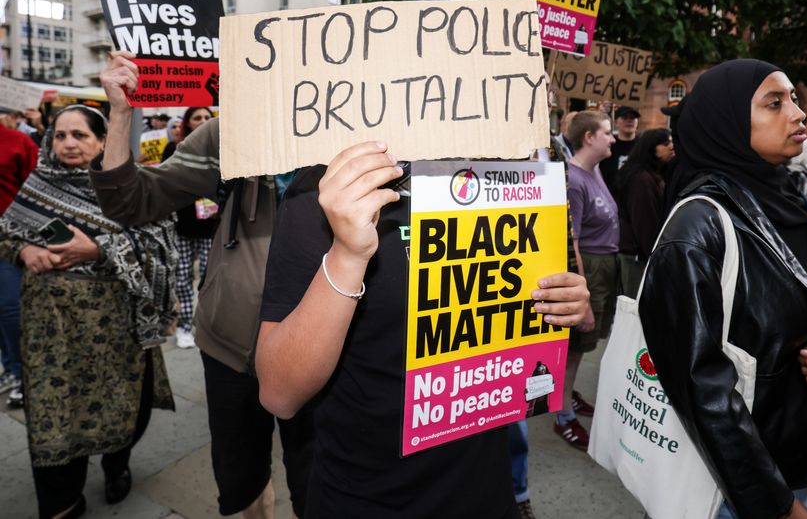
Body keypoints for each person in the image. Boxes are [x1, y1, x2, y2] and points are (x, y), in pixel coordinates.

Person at [254, 142, 591, 517]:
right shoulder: (328, 188)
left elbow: (547, 309)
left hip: (487, 492)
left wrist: (564, 302)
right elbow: (279, 393)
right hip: (366, 498)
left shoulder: (509, 172)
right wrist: (347, 255)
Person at [638, 59, 807, 518]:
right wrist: (776, 504)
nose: (798, 113)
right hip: (727, 485)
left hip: (791, 461)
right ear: (726, 122)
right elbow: (700, 383)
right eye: (774, 103)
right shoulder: (697, 226)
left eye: (794, 99)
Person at [91, 51, 313, 519]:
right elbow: (130, 201)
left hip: (325, 351)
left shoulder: (364, 141)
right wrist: (120, 112)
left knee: (321, 481)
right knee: (242, 482)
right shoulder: (226, 136)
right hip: (231, 346)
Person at [0, 105, 176, 519]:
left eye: (80, 135)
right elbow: (5, 234)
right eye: (60, 135)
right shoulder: (38, 184)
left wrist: (97, 250)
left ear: (102, 142)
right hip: (49, 333)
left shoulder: (129, 188)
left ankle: (117, 464)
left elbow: (160, 249)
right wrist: (24, 250)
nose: (68, 144)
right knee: (52, 418)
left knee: (123, 409)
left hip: (116, 333)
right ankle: (62, 503)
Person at [554, 110, 618, 451]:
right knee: (575, 346)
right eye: (607, 132)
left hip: (603, 267)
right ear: (589, 137)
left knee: (582, 348)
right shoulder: (574, 179)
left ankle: (569, 394)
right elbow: (572, 241)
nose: (613, 138)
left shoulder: (594, 171)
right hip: (589, 269)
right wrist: (585, 295)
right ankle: (563, 415)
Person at [162, 107, 216, 349]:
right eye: (197, 118)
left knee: (209, 278)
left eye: (207, 117)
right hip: (182, 226)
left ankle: (204, 325)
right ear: (187, 123)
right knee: (183, 279)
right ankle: (184, 327)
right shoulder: (175, 149)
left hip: (210, 227)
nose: (203, 121)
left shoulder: (220, 149)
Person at [0, 109, 38, 406]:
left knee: (11, 308)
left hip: (11, 239)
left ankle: (23, 374)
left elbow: (36, 190)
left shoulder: (18, 142)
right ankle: (10, 367)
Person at [615, 128, 673, 297]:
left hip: (638, 255)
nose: (671, 147)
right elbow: (644, 224)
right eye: (664, 143)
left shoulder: (651, 175)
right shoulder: (641, 180)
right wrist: (654, 258)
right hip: (637, 256)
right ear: (650, 148)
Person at [599, 105, 640, 192]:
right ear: (616, 122)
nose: (629, 121)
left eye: (633, 118)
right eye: (625, 117)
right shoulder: (607, 144)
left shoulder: (644, 145)